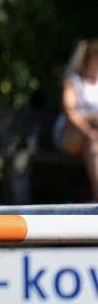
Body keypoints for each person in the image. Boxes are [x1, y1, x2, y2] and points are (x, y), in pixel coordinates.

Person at [55, 39, 98, 201]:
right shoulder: (73, 81)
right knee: (92, 140)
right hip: (70, 133)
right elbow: (70, 112)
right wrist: (87, 130)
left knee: (93, 145)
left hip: (93, 138)